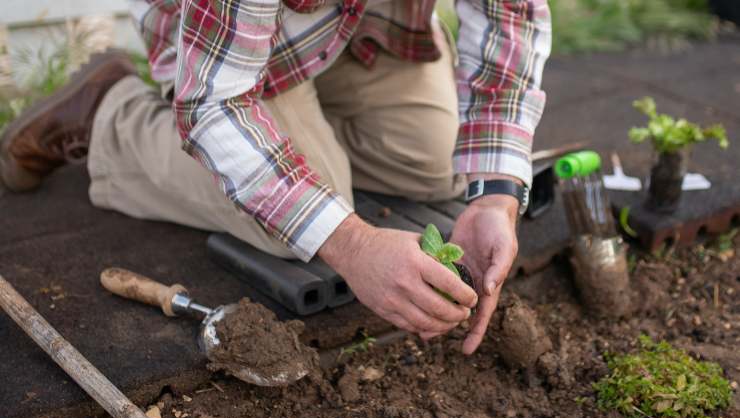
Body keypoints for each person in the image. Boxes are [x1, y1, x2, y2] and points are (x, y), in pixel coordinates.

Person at [0, 0, 551, 354]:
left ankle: (307, 130)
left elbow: (511, 16)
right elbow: (216, 103)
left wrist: (497, 195)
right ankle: (111, 114)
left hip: (365, 21)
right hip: (225, 46)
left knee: (441, 164)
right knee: (293, 226)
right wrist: (352, 242)